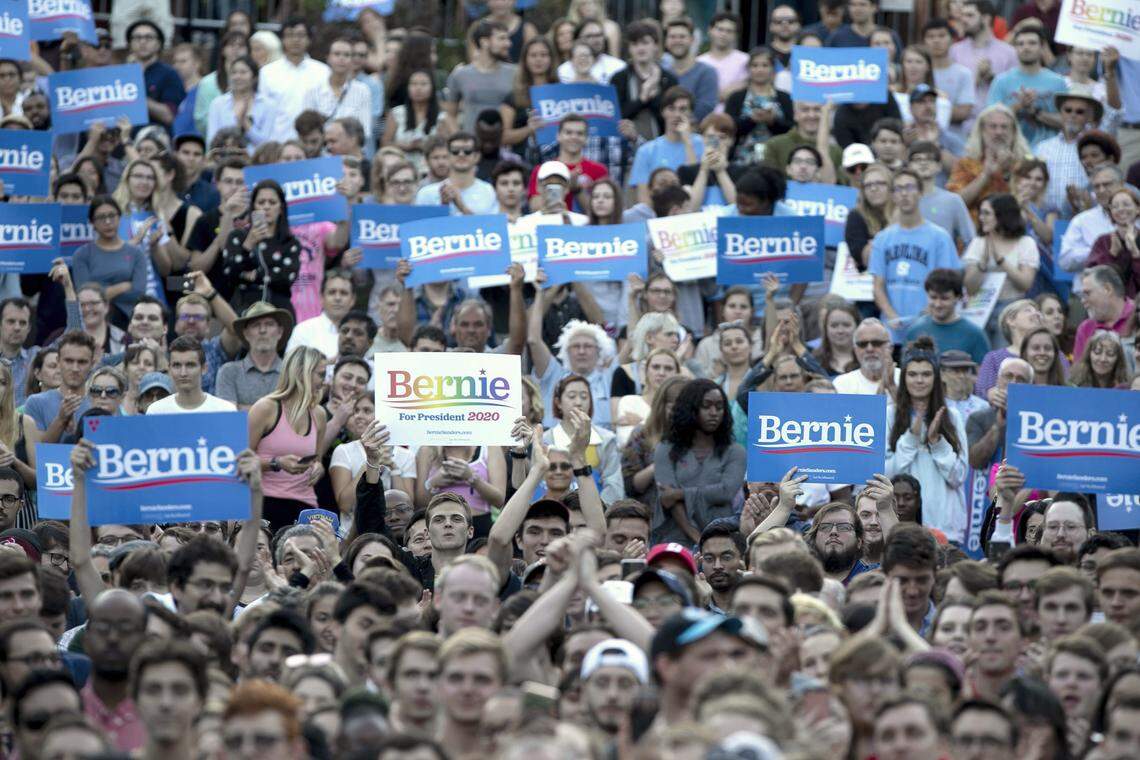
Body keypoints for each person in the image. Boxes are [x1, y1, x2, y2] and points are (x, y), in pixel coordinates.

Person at [886, 339, 969, 543]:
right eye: (913, 374)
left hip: (945, 531)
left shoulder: (952, 416)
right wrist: (912, 438)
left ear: (936, 378)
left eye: (926, 374)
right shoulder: (889, 415)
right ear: (904, 378)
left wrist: (937, 443)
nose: (919, 380)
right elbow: (887, 475)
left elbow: (959, 476)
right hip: (903, 528)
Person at [870, 169, 961, 338]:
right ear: (893, 196)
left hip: (929, 328)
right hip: (892, 331)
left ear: (920, 192)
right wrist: (892, 316)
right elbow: (877, 285)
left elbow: (948, 282)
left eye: (910, 187)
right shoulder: (882, 238)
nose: (904, 193)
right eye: (898, 189)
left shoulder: (939, 237)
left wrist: (928, 312)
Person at [652, 379, 745, 545]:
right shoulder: (665, 449)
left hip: (723, 536)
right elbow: (668, 500)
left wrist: (680, 493)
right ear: (691, 409)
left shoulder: (735, 451)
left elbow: (726, 491)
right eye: (706, 406)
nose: (714, 412)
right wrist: (698, 539)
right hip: (676, 537)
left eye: (719, 406)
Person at [248, 347, 329, 530]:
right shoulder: (266, 408)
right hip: (266, 502)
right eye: (321, 375)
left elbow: (318, 461)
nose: (325, 382)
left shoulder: (319, 414)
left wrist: (318, 468)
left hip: (306, 505)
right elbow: (240, 460)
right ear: (302, 373)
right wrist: (277, 463)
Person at [220, 179, 302, 317]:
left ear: (281, 208)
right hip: (243, 309)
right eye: (261, 202)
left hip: (279, 310)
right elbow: (229, 273)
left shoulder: (290, 242)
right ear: (253, 207)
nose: (266, 207)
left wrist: (253, 275)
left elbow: (286, 278)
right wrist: (248, 244)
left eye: (272, 202)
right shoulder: (238, 236)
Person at [71, 196, 149, 324]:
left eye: (112, 215)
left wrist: (100, 292)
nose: (108, 221)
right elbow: (84, 297)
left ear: (120, 217)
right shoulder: (82, 254)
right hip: (92, 319)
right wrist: (124, 285)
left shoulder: (136, 253)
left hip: (128, 319)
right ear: (92, 222)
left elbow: (138, 292)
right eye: (101, 217)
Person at [947, 104, 1032, 220]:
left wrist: (1007, 173)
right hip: (974, 232)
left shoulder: (1025, 165)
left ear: (1013, 132)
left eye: (1004, 127)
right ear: (982, 131)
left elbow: (1032, 204)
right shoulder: (966, 163)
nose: (999, 132)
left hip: (1015, 232)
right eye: (993, 126)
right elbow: (954, 204)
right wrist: (985, 175)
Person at [985, 27, 1065, 148]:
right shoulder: (1001, 81)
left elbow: (1067, 123)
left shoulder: (1058, 82)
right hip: (1010, 151)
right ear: (1015, 48)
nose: (1026, 47)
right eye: (1020, 44)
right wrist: (1020, 105)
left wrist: (1035, 112)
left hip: (1049, 153)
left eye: (1032, 43)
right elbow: (988, 120)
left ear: (1042, 47)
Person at [1034, 86, 1102, 215]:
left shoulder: (1096, 149)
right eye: (1068, 110)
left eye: (1080, 112)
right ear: (1061, 113)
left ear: (1089, 116)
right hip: (1047, 218)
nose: (1073, 115)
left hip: (1084, 215)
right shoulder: (1043, 147)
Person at [950, 0, 1017, 130]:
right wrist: (975, 79)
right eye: (962, 15)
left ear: (986, 19)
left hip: (998, 128)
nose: (963, 20)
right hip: (962, 128)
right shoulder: (954, 51)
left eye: (969, 15)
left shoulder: (1009, 53)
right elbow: (951, 92)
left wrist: (993, 79)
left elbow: (1014, 94)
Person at [906, 269, 991, 364]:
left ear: (958, 297)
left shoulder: (975, 334)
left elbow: (985, 375)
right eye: (933, 297)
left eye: (944, 298)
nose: (938, 304)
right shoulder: (914, 331)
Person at [725, 47, 793, 164]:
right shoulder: (736, 98)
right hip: (740, 161)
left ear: (773, 69)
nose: (759, 70)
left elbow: (791, 129)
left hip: (776, 160)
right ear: (748, 69)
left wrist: (772, 121)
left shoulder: (785, 98)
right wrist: (751, 120)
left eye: (765, 65)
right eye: (755, 65)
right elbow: (727, 128)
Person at [258, 18, 331, 129]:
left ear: (309, 39)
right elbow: (261, 109)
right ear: (282, 39)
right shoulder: (267, 72)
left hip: (312, 140)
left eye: (300, 35)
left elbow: (327, 109)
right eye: (290, 35)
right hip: (276, 139)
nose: (295, 40)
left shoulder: (323, 71)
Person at [207, 56, 290, 150]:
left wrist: (245, 123)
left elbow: (267, 143)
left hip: (258, 161)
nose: (237, 77)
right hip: (225, 159)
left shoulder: (268, 105)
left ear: (255, 77)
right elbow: (212, 140)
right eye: (234, 72)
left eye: (243, 72)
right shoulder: (218, 104)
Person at [146, 336, 236, 415]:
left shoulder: (225, 410)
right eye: (177, 365)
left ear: (204, 368)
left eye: (190, 365)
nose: (183, 373)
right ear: (169, 369)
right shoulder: (156, 412)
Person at [127, 20, 185, 130]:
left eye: (148, 37)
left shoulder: (169, 74)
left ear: (159, 44)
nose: (142, 42)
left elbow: (170, 116)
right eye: (137, 37)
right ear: (130, 44)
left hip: (156, 140)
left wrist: (135, 97)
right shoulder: (121, 73)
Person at [661, 18, 717, 123]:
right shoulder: (661, 72)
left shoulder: (706, 72)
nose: (677, 41)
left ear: (692, 40)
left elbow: (705, 108)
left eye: (682, 37)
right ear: (666, 41)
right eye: (672, 37)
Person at [1073, 265, 1133, 360]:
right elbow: (1078, 373)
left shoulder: (1136, 317)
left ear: (1107, 289)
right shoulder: (1085, 329)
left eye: (1087, 293)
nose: (1083, 301)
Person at [1088, 188, 1140, 298]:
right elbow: (1093, 279)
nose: (1121, 209)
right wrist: (1112, 254)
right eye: (1115, 206)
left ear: (1137, 209)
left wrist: (1135, 254)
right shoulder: (1102, 241)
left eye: (1126, 204)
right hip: (1110, 304)